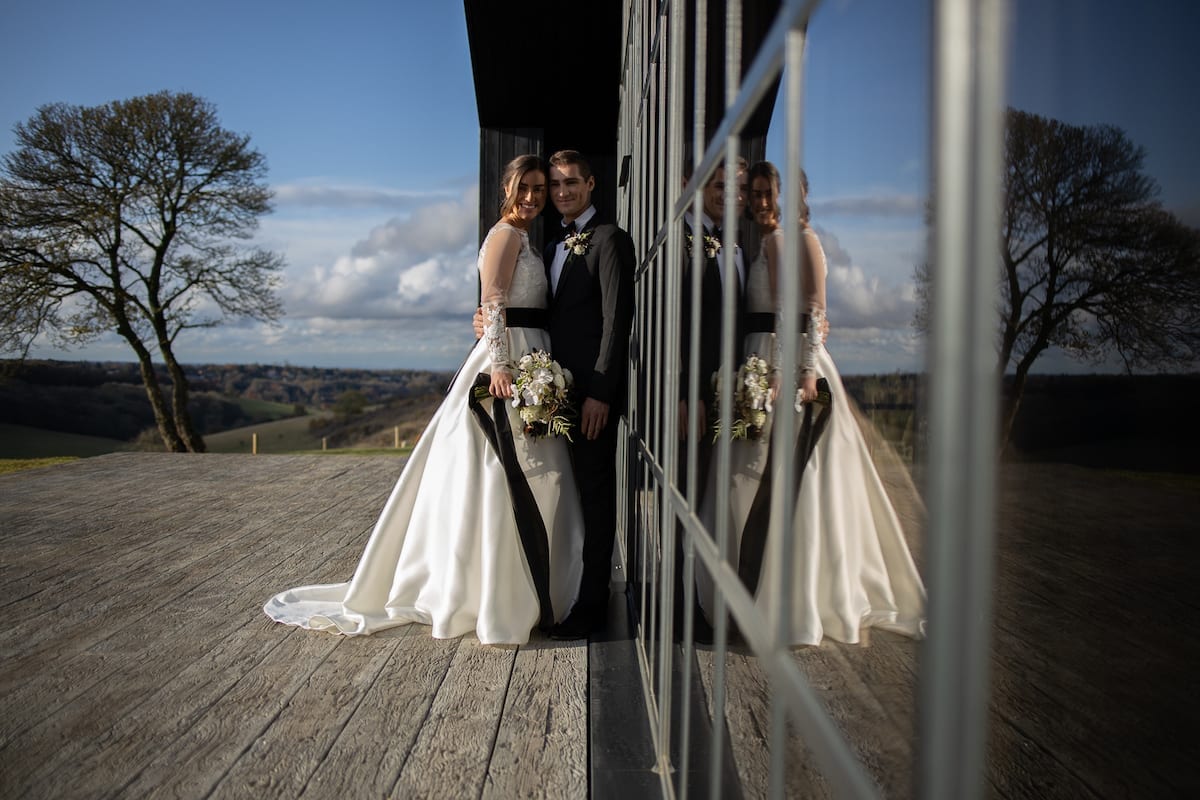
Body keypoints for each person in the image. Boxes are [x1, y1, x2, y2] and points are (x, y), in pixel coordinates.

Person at [263, 155, 585, 646]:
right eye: (526, 188)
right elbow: (494, 300)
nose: (533, 197)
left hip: (535, 357)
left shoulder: (529, 241)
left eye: (540, 189)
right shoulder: (503, 235)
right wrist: (499, 364)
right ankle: (488, 592)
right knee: (498, 472)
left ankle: (538, 587)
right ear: (508, 187)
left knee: (538, 472)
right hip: (509, 365)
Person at [704, 162, 926, 645]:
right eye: (757, 194)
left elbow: (811, 311)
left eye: (771, 194)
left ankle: (785, 595)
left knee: (787, 477)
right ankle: (752, 586)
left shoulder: (796, 240)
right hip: (762, 362)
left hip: (784, 372)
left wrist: (798, 371)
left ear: (797, 198)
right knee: (757, 475)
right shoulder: (769, 241)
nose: (762, 203)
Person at [474, 150, 636, 640]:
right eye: (553, 186)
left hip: (587, 396)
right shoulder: (546, 244)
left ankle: (591, 603)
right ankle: (552, 589)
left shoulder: (611, 240)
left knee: (593, 494)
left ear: (591, 185)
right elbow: (508, 300)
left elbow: (616, 324)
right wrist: (485, 323)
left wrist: (601, 393)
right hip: (545, 388)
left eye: (568, 184)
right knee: (554, 488)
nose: (559, 193)